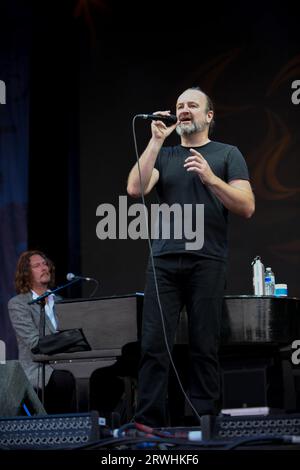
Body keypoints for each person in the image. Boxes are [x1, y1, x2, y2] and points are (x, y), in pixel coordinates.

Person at [127, 87, 255, 427]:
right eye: (179, 105)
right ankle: (149, 420)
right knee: (154, 345)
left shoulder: (227, 154)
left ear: (208, 116)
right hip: (164, 261)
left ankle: (204, 421)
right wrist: (155, 141)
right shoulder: (165, 155)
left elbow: (246, 207)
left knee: (204, 344)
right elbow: (135, 189)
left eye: (192, 105)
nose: (183, 110)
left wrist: (211, 178)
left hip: (207, 261)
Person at [8, 250, 76, 414]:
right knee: (66, 379)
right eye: (37, 265)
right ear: (26, 273)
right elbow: (34, 343)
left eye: (45, 264)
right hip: (38, 369)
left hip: (68, 364)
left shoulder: (60, 302)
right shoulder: (19, 304)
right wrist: (67, 339)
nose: (44, 268)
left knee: (100, 379)